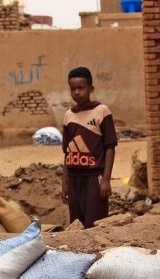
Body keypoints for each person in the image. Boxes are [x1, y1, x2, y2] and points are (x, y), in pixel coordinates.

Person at [61, 67, 117, 229]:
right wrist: (65, 182)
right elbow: (67, 152)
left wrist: (106, 179)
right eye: (73, 89)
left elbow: (110, 147)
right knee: (76, 226)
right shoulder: (68, 115)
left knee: (94, 225)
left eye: (81, 88)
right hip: (74, 178)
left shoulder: (101, 111)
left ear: (91, 89)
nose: (77, 92)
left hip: (94, 178)